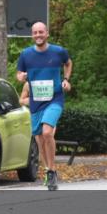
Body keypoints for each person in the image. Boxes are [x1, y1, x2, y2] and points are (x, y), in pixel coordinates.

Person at [16, 22, 72, 191]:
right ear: (32, 35)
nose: (38, 35)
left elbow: (68, 63)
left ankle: (53, 169)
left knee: (47, 132)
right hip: (36, 101)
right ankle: (49, 169)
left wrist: (66, 80)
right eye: (35, 32)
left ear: (47, 33)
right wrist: (21, 76)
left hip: (54, 99)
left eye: (41, 32)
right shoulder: (25, 55)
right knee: (40, 139)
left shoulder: (58, 51)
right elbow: (19, 74)